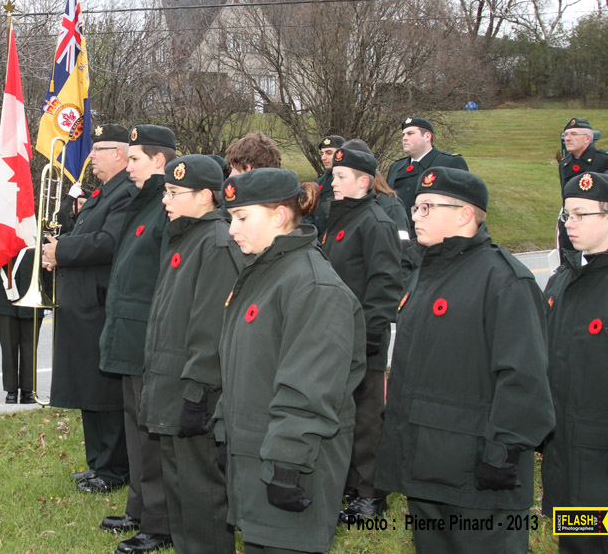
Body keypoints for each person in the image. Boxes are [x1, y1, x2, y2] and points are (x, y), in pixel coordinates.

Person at [375, 168, 555, 554]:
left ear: (464, 214)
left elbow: (524, 377)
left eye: (427, 207)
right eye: (416, 207)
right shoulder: (424, 274)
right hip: (427, 468)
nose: (416, 216)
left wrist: (502, 454)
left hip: (478, 477)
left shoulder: (504, 280)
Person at [216, 168, 365, 554]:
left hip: (293, 468)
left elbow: (310, 389)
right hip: (257, 456)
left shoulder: (312, 285)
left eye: (242, 217)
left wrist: (286, 466)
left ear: (279, 216)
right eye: (231, 218)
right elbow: (244, 365)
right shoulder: (264, 272)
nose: (232, 230)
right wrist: (223, 427)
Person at [140, 155, 244, 554]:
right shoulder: (187, 237)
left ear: (204, 196)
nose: (165, 200)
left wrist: (197, 392)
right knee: (180, 490)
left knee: (201, 493)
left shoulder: (215, 243)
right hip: (171, 385)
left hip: (194, 392)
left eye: (173, 192)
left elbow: (210, 328)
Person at [542, 172, 608, 554]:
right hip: (569, 468)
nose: (569, 223)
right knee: (577, 546)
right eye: (566, 214)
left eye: (580, 214)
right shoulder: (562, 281)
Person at [42, 123, 136, 494]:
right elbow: (87, 238)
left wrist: (62, 251)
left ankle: (114, 469)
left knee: (103, 389)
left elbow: (109, 243)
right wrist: (56, 250)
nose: (91, 156)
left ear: (119, 154)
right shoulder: (104, 192)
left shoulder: (125, 193)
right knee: (87, 386)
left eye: (98, 150)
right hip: (83, 303)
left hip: (99, 304)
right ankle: (98, 463)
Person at [98, 125, 175, 554]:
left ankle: (159, 523)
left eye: (134, 159)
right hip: (129, 335)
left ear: (158, 161)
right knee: (135, 427)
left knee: (152, 433)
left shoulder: (166, 207)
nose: (127, 167)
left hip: (148, 337)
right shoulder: (143, 201)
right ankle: (139, 509)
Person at [321, 147, 403, 525]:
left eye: (341, 176)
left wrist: (370, 336)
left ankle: (372, 494)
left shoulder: (375, 222)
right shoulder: (342, 217)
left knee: (367, 416)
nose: (333, 182)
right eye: (333, 175)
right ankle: (352, 484)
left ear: (364, 181)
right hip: (337, 335)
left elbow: (385, 283)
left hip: (363, 336)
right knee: (346, 414)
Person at [386, 117, 468, 232]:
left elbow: (460, 205)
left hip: (433, 233)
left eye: (410, 134)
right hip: (396, 233)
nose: (404, 138)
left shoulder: (449, 163)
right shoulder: (396, 167)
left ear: (427, 136)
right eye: (403, 135)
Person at [0, 247, 41, 404]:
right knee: (8, 347)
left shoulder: (38, 236)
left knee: (29, 348)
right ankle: (10, 390)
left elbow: (47, 267)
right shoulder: (2, 236)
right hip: (5, 299)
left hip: (32, 297)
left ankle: (28, 390)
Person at [558, 118, 608, 251]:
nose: (567, 138)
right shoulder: (565, 164)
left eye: (573, 134)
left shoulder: (604, 159)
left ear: (587, 138)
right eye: (565, 135)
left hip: (596, 227)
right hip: (571, 223)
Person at [310, 134, 343, 236]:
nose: (323, 158)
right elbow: (309, 211)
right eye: (322, 153)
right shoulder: (320, 181)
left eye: (329, 153)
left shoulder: (347, 182)